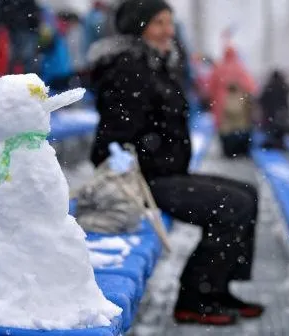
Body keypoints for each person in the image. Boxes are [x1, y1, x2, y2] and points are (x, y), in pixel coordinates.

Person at [88, 0, 264, 325]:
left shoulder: (156, 63)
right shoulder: (129, 68)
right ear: (138, 27)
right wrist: (139, 157)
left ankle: (218, 290)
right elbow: (109, 141)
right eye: (159, 23)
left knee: (247, 193)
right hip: (145, 182)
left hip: (166, 173)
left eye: (170, 22)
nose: (169, 30)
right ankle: (195, 298)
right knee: (233, 205)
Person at [2, 0, 40, 74]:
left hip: (21, 31)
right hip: (23, 31)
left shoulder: (11, 4)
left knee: (19, 58)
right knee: (25, 58)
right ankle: (25, 79)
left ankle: (15, 78)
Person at [218, 83, 254, 157]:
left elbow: (231, 110)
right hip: (239, 127)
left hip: (233, 128)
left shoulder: (229, 97)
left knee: (232, 148)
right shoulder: (241, 96)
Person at [260, 70, 289, 149]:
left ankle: (273, 144)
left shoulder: (269, 86)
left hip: (271, 112)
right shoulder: (284, 86)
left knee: (272, 130)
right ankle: (280, 144)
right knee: (281, 130)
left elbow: (262, 99)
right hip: (282, 112)